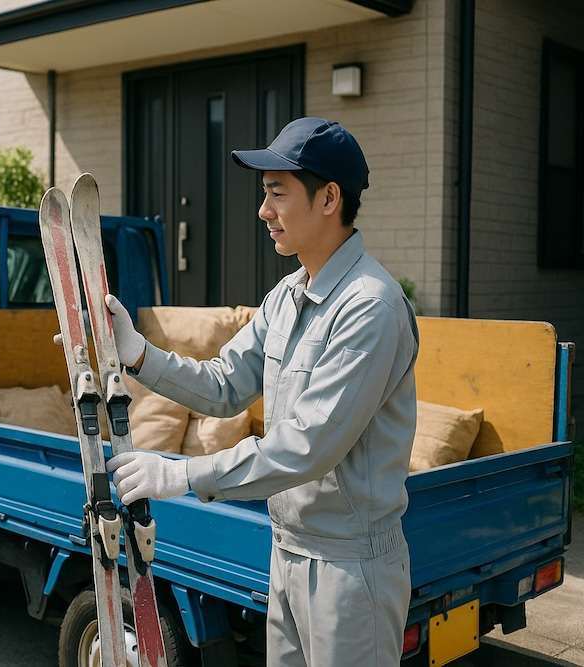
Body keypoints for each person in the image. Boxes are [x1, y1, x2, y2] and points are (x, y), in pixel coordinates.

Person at [105, 117, 420, 666]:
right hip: (287, 551)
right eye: (264, 194)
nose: (263, 211)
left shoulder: (369, 307)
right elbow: (223, 385)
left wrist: (184, 474)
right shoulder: (287, 296)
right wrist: (138, 353)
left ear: (329, 199)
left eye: (277, 193)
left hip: (351, 568)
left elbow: (308, 446)